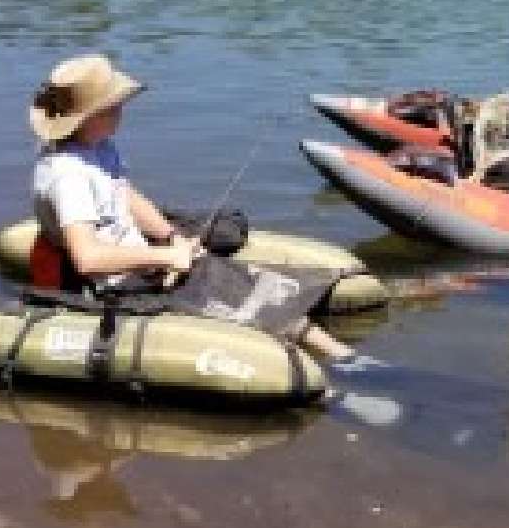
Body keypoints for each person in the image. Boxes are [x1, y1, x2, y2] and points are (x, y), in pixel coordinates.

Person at [28, 53, 355, 361]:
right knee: (244, 306)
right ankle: (337, 367)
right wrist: (165, 257)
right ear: (90, 116)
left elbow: (126, 196)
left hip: (142, 267)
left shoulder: (98, 146)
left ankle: (345, 358)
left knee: (242, 282)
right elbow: (87, 258)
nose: (122, 111)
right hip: (117, 288)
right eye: (114, 106)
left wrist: (172, 239)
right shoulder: (68, 173)